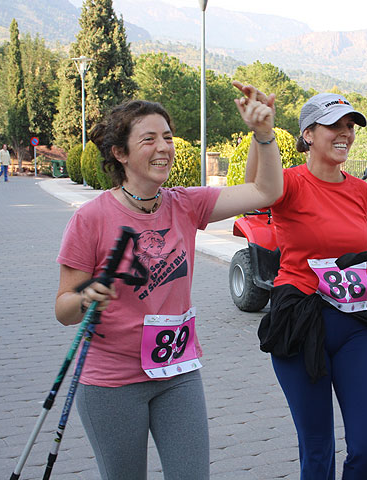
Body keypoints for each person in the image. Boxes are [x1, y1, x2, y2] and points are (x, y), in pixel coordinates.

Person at [54, 82, 283, 480]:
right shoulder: (91, 218)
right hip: (112, 381)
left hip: (177, 372)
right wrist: (86, 297)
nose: (164, 147)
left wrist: (263, 134)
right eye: (149, 139)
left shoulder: (186, 204)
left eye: (168, 137)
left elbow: (266, 191)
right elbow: (64, 310)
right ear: (120, 153)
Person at [249, 92, 367, 479]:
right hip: (300, 322)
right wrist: (259, 133)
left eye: (350, 126)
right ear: (308, 133)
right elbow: (254, 184)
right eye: (334, 125)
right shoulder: (289, 184)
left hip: (355, 326)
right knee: (318, 449)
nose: (345, 134)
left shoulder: (360, 191)